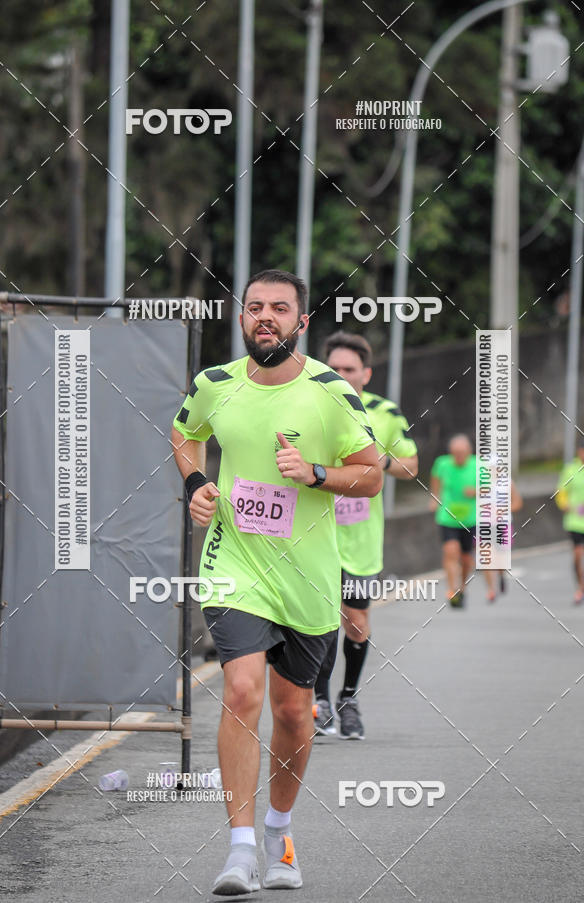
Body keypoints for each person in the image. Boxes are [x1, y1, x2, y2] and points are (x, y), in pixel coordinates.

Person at [171, 269, 382, 895]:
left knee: (293, 713)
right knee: (240, 690)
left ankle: (278, 831)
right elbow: (185, 436)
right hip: (234, 563)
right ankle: (238, 851)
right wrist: (195, 485)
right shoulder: (214, 384)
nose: (266, 317)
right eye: (255, 307)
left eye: (280, 308)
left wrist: (315, 472)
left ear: (302, 322)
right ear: (241, 318)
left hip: (308, 576)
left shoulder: (330, 392)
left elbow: (370, 475)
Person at [311, 331, 418, 740]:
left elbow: (411, 467)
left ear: (366, 374)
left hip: (360, 540)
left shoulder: (385, 412)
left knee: (355, 623)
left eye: (349, 369)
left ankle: (349, 698)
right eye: (333, 368)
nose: (340, 374)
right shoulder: (307, 406)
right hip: (313, 534)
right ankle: (318, 701)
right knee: (320, 623)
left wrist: (377, 461)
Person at [430, 435, 478, 608]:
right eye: (455, 453)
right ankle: (452, 590)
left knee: (466, 558)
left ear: (469, 452)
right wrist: (434, 498)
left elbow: (491, 488)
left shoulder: (478, 465)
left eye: (462, 453)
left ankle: (463, 586)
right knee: (451, 552)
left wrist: (477, 492)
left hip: (471, 518)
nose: (459, 456)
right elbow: (435, 479)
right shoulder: (442, 463)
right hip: (447, 516)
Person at [556, 442, 584, 604]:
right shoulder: (570, 470)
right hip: (575, 521)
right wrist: (564, 504)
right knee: (577, 555)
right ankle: (580, 587)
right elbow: (561, 491)